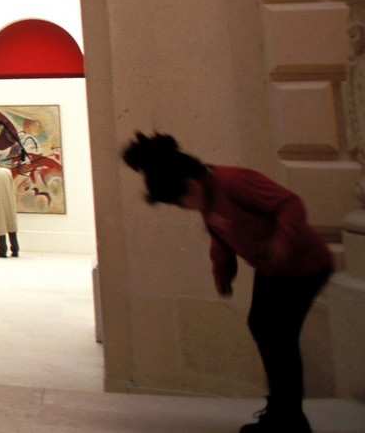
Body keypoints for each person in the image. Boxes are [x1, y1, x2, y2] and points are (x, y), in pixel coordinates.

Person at [123, 132, 333, 433]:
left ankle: (289, 419)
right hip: (272, 270)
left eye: (179, 202)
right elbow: (221, 237)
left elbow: (289, 203)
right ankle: (281, 411)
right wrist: (222, 272)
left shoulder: (233, 182)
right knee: (263, 328)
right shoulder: (208, 199)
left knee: (279, 337)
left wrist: (282, 242)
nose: (183, 208)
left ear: (191, 185)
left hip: (305, 267)